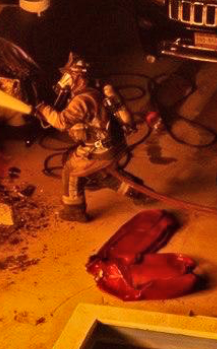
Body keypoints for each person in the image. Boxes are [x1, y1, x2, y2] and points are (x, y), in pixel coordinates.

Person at [36, 53, 144, 222]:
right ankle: (138, 191)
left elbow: (61, 122)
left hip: (101, 148)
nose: (63, 79)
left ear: (76, 76)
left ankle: (73, 211)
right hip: (114, 142)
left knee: (72, 170)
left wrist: (42, 108)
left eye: (67, 75)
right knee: (99, 174)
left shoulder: (82, 100)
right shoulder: (94, 88)